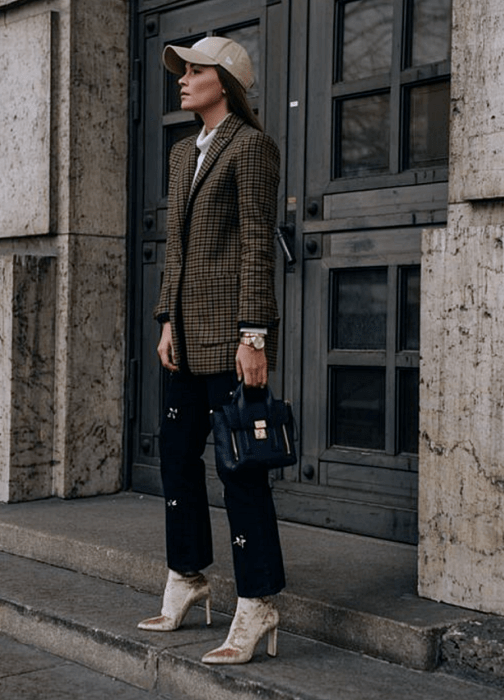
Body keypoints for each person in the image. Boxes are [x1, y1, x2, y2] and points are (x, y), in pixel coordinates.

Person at [137, 36, 285, 665]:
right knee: (176, 458)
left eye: (194, 71)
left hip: (231, 339)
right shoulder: (180, 154)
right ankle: (188, 576)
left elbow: (256, 242)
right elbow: (177, 248)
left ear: (224, 81)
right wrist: (167, 319)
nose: (183, 79)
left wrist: (254, 336)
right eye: (183, 71)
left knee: (240, 469)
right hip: (188, 338)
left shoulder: (251, 148)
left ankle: (257, 604)